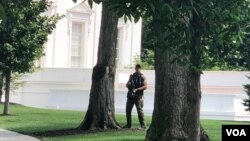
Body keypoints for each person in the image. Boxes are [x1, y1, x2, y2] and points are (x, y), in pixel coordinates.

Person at [123, 64, 147, 129]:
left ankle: (143, 125)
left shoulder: (142, 77)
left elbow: (145, 86)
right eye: (136, 68)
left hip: (139, 96)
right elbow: (127, 85)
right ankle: (128, 125)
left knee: (139, 110)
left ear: (140, 69)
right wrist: (128, 84)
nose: (137, 69)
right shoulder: (132, 76)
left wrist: (138, 89)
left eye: (138, 68)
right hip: (131, 95)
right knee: (128, 110)